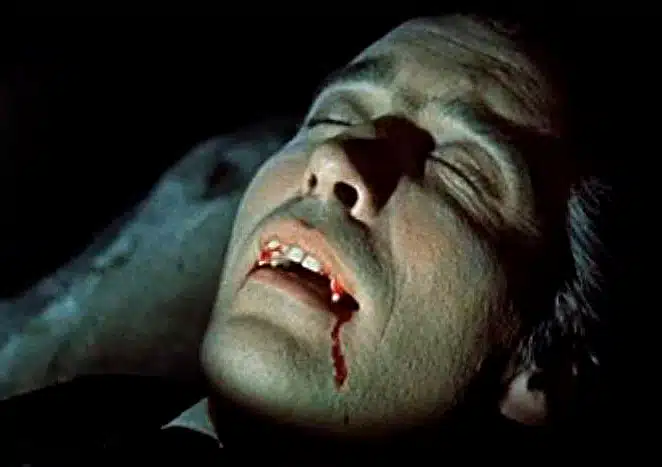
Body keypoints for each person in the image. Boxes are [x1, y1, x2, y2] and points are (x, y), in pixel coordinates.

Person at [3, 14, 615, 463]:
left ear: (548, 367)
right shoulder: (61, 422)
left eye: (461, 171)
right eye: (333, 117)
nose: (335, 157)